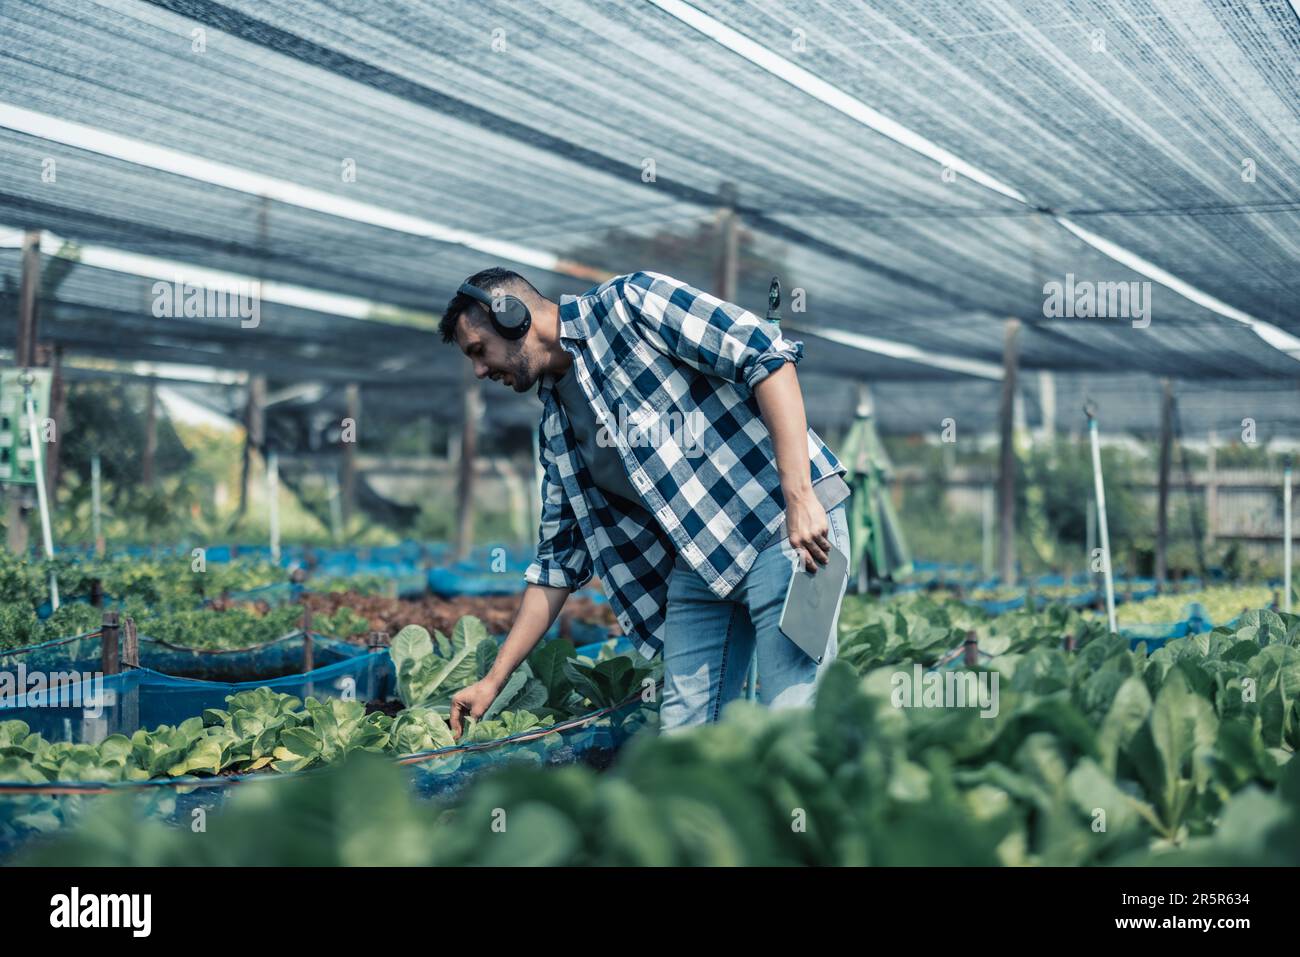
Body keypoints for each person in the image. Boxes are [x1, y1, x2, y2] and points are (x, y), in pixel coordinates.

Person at [438, 268, 851, 734]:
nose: (478, 370)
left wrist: (800, 496)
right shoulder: (556, 427)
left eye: (478, 351)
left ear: (512, 317)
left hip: (784, 531)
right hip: (698, 566)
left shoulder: (630, 303)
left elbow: (766, 356)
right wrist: (493, 681)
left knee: (794, 721)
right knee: (686, 739)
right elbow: (557, 564)